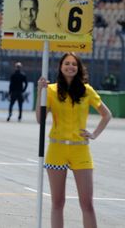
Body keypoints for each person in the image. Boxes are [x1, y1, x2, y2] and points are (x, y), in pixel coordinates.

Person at [36, 52, 112, 228]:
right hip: (57, 150)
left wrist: (94, 134)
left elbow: (106, 115)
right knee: (57, 203)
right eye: (67, 63)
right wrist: (41, 91)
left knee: (87, 204)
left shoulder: (87, 91)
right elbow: (40, 120)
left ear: (78, 68)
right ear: (60, 67)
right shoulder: (51, 90)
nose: (70, 67)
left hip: (81, 150)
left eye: (74, 64)